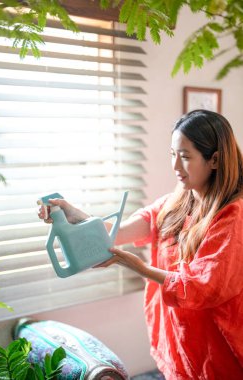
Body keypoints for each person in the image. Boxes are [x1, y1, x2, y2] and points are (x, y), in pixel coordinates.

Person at [38, 110, 243, 380]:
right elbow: (117, 233)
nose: (175, 167)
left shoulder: (233, 216)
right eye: (172, 154)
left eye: (185, 156)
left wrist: (135, 265)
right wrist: (72, 213)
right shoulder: (176, 202)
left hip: (217, 348)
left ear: (214, 159)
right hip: (179, 343)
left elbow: (200, 287)